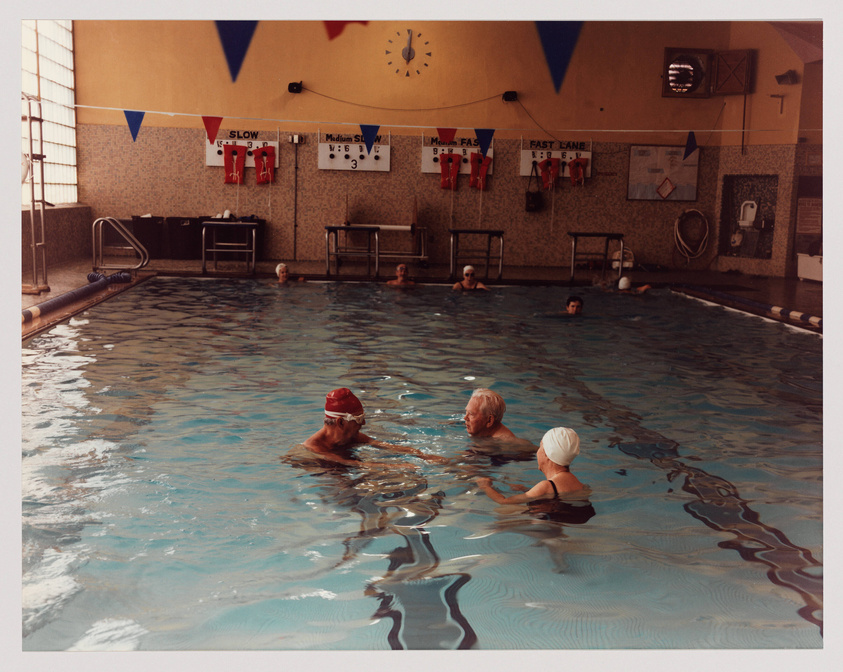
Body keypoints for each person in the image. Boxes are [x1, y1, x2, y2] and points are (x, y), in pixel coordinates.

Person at [303, 388, 447, 467]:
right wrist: (397, 467)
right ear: (340, 422)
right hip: (324, 471)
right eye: (358, 419)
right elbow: (350, 464)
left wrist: (420, 454)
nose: (363, 424)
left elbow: (382, 445)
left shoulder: (351, 436)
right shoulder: (314, 448)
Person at [475, 427, 585, 503]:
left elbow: (504, 501)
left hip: (548, 520)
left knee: (502, 514)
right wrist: (527, 490)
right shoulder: (578, 483)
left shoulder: (546, 486)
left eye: (540, 447)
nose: (537, 451)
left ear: (547, 454)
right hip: (566, 514)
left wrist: (485, 486)